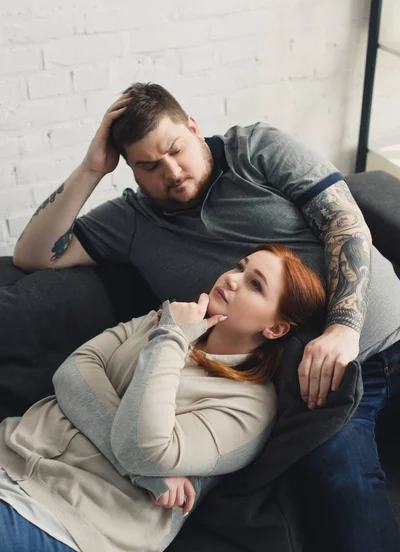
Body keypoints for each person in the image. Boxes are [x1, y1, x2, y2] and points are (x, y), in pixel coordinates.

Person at [12, 83, 400, 552]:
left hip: (378, 334)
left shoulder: (255, 149)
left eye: (176, 150)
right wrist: (92, 168)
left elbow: (344, 222)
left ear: (194, 128)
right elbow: (32, 255)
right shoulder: (132, 221)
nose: (171, 172)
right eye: (149, 166)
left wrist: (343, 327)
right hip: (327, 383)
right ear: (130, 170)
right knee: (339, 477)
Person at [0, 244, 326, 552]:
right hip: (10, 454)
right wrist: (146, 473)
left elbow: (144, 447)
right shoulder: (162, 319)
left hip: (69, 520)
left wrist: (172, 340)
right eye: (240, 267)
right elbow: (71, 375)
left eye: (255, 284)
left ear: (276, 329)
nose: (232, 278)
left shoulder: (250, 407)